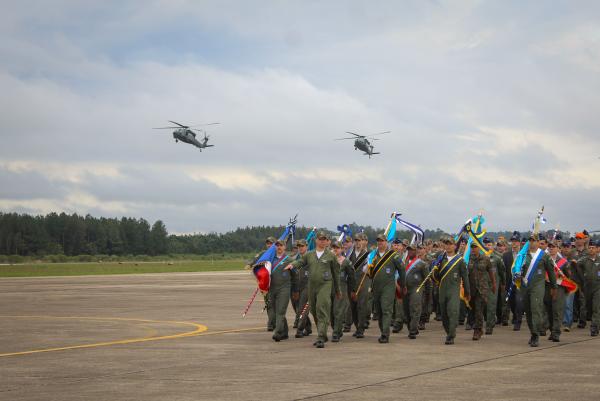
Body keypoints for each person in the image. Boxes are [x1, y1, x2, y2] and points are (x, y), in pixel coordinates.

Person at [286, 231, 341, 348]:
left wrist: (337, 290)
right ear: (316, 241)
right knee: (314, 312)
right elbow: (300, 261)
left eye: (324, 239)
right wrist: (293, 265)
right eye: (320, 239)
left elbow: (336, 274)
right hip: (312, 286)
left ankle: (321, 336)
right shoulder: (309, 254)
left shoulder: (331, 256)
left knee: (322, 308)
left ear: (327, 242)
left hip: (325, 285)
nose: (322, 241)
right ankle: (323, 334)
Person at [520, 235, 557, 347]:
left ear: (538, 242)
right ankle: (532, 332)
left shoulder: (544, 256)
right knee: (528, 311)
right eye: (530, 240)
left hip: (538, 286)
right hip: (525, 286)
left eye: (535, 241)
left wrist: (554, 287)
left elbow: (551, 272)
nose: (533, 243)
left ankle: (536, 335)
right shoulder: (522, 255)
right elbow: (516, 269)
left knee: (536, 309)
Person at [368, 234, 405, 343]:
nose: (380, 243)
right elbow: (368, 272)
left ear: (386, 242)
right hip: (376, 287)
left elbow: (402, 270)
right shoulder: (373, 256)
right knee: (378, 311)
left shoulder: (393, 255)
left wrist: (403, 285)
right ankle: (382, 330)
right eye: (378, 241)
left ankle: (385, 334)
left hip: (388, 287)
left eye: (382, 241)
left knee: (386, 310)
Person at [433, 237, 470, 345]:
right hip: (442, 290)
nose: (448, 246)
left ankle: (451, 335)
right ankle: (449, 332)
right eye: (446, 244)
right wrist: (435, 268)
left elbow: (465, 277)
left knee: (453, 312)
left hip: (454, 290)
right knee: (444, 315)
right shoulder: (440, 259)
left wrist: (467, 292)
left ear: (454, 246)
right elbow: (435, 277)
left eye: (450, 244)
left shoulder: (460, 261)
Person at [269, 239, 298, 341]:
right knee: (274, 312)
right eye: (277, 245)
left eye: (281, 245)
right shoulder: (270, 259)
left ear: (285, 247)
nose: (279, 247)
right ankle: (285, 332)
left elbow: (295, 277)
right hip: (271, 289)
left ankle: (278, 333)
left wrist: (295, 291)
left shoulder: (289, 260)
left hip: (284, 289)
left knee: (280, 311)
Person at [467, 243, 495, 340]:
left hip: (482, 289)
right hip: (471, 288)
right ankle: (477, 326)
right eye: (472, 247)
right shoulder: (468, 259)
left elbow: (490, 272)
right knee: (473, 309)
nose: (473, 249)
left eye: (475, 247)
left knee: (479, 309)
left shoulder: (485, 259)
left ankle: (477, 330)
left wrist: (493, 285)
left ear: (479, 247)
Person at [545, 240, 571, 342]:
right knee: (549, 311)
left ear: (558, 249)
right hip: (547, 287)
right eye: (550, 247)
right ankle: (552, 330)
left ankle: (556, 333)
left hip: (559, 287)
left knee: (557, 311)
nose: (551, 248)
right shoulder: (545, 260)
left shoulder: (563, 262)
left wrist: (561, 276)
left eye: (554, 247)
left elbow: (568, 277)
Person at [330, 241, 356, 342]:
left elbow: (352, 277)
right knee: (331, 313)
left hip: (341, 289)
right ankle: (337, 330)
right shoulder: (328, 261)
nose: (335, 249)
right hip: (329, 289)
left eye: (338, 247)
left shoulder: (346, 262)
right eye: (334, 247)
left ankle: (336, 333)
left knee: (338, 311)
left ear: (342, 249)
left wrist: (352, 290)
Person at [403, 244, 430, 339]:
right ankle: (412, 327)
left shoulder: (422, 264)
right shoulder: (404, 262)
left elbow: (427, 279)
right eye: (409, 250)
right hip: (405, 289)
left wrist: (427, 293)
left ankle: (413, 330)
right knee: (406, 312)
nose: (410, 252)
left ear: (416, 251)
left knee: (415, 309)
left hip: (416, 288)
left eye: (412, 250)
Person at [347, 233, 371, 338]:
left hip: (363, 282)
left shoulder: (369, 255)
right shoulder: (349, 254)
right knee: (353, 306)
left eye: (359, 240)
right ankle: (357, 327)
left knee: (361, 306)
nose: (357, 242)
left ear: (364, 242)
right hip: (352, 283)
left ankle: (361, 329)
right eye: (356, 240)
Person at [575, 240, 600, 336]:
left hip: (598, 286)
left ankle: (594, 327)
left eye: (593, 248)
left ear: (597, 249)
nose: (591, 249)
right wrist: (582, 278)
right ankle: (596, 323)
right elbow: (576, 265)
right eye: (589, 247)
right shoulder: (584, 260)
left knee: (596, 307)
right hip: (587, 287)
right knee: (588, 307)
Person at [484, 237, 505, 335]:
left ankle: (489, 326)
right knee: (483, 306)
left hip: (493, 285)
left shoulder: (497, 258)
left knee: (491, 306)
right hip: (482, 285)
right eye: (485, 244)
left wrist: (503, 284)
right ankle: (488, 320)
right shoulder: (479, 257)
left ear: (492, 246)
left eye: (489, 244)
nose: (487, 246)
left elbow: (502, 272)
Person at [503, 232, 523, 330]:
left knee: (518, 301)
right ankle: (515, 315)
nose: (514, 243)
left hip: (520, 283)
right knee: (512, 302)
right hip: (509, 282)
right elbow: (504, 270)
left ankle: (518, 321)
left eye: (516, 241)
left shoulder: (523, 254)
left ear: (519, 243)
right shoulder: (506, 255)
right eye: (513, 241)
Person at [293, 239, 312, 338]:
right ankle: (308, 328)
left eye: (302, 246)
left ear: (307, 246)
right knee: (297, 309)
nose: (300, 248)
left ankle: (299, 329)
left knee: (302, 309)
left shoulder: (311, 258)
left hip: (307, 286)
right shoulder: (294, 258)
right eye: (299, 246)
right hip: (296, 287)